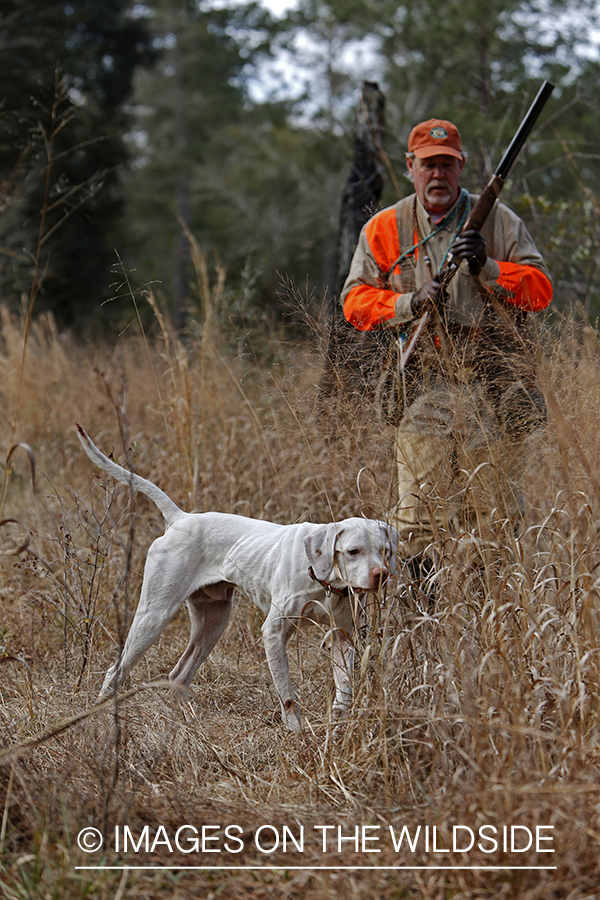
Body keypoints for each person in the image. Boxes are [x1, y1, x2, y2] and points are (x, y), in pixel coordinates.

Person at [341, 118, 553, 561]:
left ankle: (489, 619)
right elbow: (354, 302)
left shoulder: (499, 221)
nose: (438, 174)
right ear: (410, 166)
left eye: (447, 165)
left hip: (495, 386)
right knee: (417, 517)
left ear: (461, 168)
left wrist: (489, 268)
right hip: (423, 384)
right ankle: (421, 620)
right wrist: (409, 302)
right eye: (428, 165)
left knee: (493, 518)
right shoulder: (384, 228)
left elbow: (540, 291)